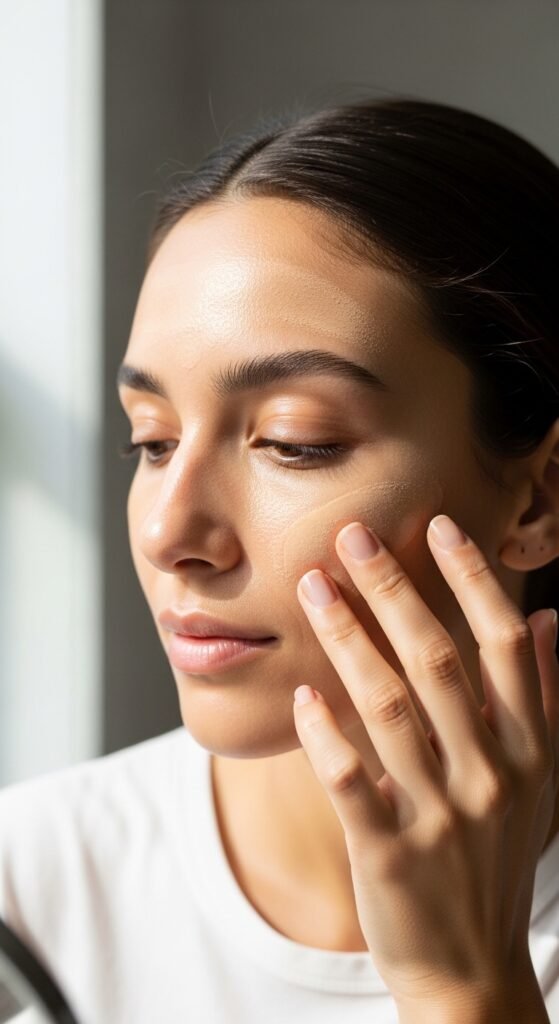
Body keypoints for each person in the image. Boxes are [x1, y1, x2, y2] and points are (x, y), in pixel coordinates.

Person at [2, 96, 559, 1023]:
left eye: (294, 443)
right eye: (152, 440)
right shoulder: (29, 891)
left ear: (539, 498)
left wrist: (465, 989)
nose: (168, 534)